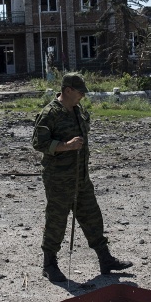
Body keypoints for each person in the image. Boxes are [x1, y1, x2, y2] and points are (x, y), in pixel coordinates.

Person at [31, 73, 132, 282]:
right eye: (80, 92)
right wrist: (66, 146)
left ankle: (105, 259)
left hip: (81, 177)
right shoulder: (50, 113)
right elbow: (38, 143)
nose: (82, 96)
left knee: (92, 216)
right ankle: (49, 264)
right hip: (59, 179)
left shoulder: (78, 111)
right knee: (57, 221)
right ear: (68, 90)